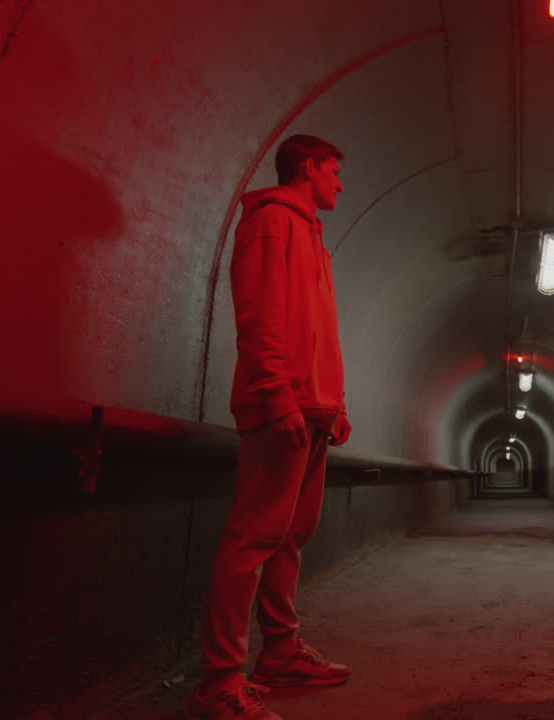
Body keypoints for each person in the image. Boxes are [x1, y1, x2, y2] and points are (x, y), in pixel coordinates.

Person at [188, 134, 353, 720]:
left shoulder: (311, 235)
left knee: (289, 537)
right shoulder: (271, 224)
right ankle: (219, 683)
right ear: (307, 167)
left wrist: (336, 402)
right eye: (334, 171)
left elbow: (318, 331)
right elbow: (259, 315)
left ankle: (280, 653)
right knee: (251, 540)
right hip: (280, 406)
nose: (339, 183)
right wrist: (276, 394)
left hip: (312, 409)